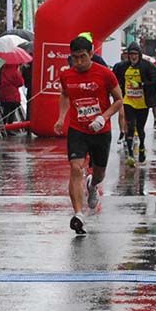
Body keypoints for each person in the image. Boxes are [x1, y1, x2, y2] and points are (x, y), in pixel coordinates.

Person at [54, 35, 123, 236]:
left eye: (83, 57)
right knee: (75, 168)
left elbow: (119, 100)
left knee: (99, 173)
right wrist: (61, 118)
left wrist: (104, 117)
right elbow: (65, 95)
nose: (79, 62)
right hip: (78, 129)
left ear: (91, 54)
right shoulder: (66, 75)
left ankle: (93, 185)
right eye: (74, 58)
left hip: (101, 131)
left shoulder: (105, 74)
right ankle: (78, 215)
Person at [113, 42, 156, 165]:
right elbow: (113, 79)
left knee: (140, 128)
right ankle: (130, 154)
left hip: (142, 102)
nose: (133, 57)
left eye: (135, 54)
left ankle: (141, 147)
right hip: (128, 100)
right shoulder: (122, 67)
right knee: (130, 126)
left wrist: (143, 85)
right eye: (130, 54)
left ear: (139, 54)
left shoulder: (147, 66)